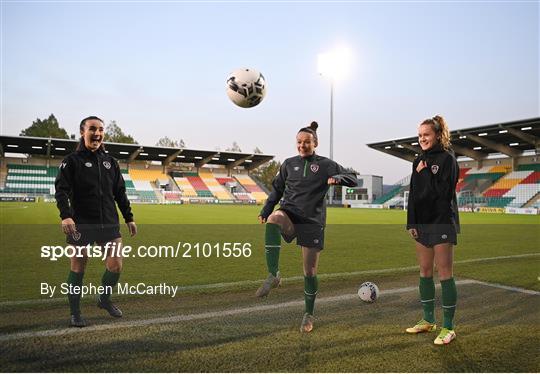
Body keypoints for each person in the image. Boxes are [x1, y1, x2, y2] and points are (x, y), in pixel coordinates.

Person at [257, 121, 358, 333]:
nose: (302, 146)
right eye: (299, 142)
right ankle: (274, 275)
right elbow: (276, 190)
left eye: (307, 142)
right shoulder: (288, 164)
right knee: (275, 220)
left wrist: (338, 178)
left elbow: (353, 178)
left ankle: (308, 314)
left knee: (309, 272)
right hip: (290, 213)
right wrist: (266, 211)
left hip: (312, 221)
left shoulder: (326, 164)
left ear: (315, 143)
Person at [55, 116, 137, 327]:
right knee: (78, 268)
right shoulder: (71, 161)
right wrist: (66, 215)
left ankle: (104, 299)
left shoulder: (111, 162)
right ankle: (75, 312)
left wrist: (128, 217)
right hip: (81, 223)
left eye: (101, 129)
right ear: (83, 132)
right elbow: (61, 191)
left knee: (116, 265)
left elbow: (120, 192)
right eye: (93, 129)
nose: (97, 133)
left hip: (109, 222)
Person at [406, 115, 460, 345]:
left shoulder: (448, 160)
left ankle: (448, 327)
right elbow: (415, 196)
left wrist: (426, 172)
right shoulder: (417, 159)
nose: (422, 139)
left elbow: (443, 193)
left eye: (426, 135)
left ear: (438, 135)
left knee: (444, 272)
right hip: (423, 223)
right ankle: (428, 320)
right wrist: (412, 223)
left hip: (442, 221)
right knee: (425, 270)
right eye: (419, 135)